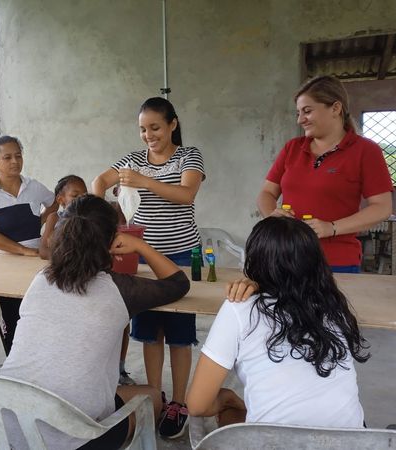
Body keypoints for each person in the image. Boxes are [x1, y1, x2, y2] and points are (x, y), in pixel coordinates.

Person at [0, 194, 190, 449]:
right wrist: (140, 246)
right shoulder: (120, 290)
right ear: (112, 241)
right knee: (153, 397)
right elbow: (179, 283)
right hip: (74, 440)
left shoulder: (41, 279)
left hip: (9, 429)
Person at [186, 216, 369, 428]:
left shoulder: (241, 308)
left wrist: (227, 399)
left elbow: (197, 405)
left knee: (231, 412)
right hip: (352, 440)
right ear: (317, 262)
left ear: (253, 261)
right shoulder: (334, 307)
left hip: (272, 441)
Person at [92, 97, 205, 438]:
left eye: (155, 127)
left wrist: (143, 181)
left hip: (180, 255)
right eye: (143, 129)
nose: (148, 135)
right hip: (138, 258)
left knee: (180, 335)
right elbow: (99, 180)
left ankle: (179, 402)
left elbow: (186, 194)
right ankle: (156, 397)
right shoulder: (133, 159)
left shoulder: (189, 156)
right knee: (149, 332)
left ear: (173, 124)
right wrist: (104, 213)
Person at [257, 75, 393, 273]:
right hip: (285, 256)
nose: (300, 120)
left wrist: (332, 227)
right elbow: (266, 193)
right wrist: (272, 215)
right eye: (298, 113)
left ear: (335, 108)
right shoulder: (292, 148)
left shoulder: (365, 151)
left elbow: (382, 207)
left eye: (307, 111)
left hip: (335, 262)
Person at [0, 135, 57, 353]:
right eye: (7, 157)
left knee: (41, 314)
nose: (14, 162)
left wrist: (42, 223)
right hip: (5, 265)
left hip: (36, 261)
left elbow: (54, 204)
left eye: (18, 156)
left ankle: (42, 360)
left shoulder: (33, 187)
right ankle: (15, 363)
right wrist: (23, 251)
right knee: (14, 318)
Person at [38, 174, 87, 259]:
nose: (82, 199)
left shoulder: (89, 219)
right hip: (63, 262)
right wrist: (66, 259)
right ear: (60, 200)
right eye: (75, 196)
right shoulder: (54, 218)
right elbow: (43, 251)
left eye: (85, 195)